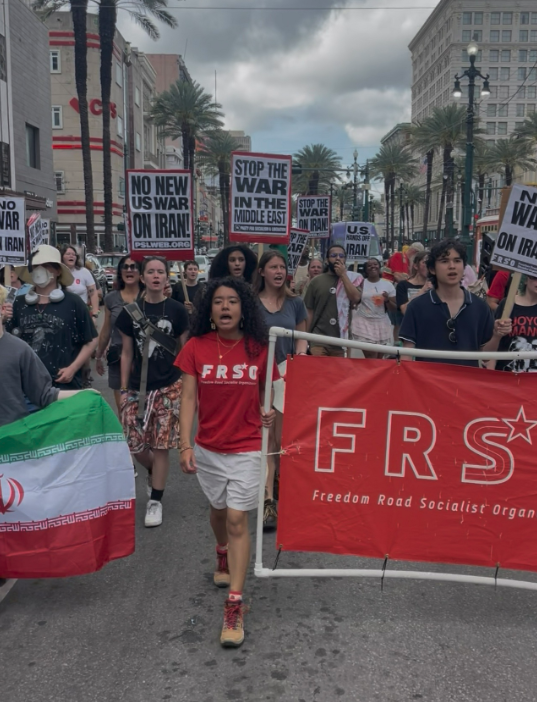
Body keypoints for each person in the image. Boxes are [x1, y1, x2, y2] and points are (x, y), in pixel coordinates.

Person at [176, 277, 277, 648]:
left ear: (243, 307)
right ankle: (222, 553)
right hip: (208, 448)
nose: (225, 307)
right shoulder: (195, 348)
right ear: (209, 310)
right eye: (217, 301)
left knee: (237, 517)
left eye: (232, 301)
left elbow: (271, 391)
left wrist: (269, 413)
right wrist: (184, 445)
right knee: (218, 510)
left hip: (248, 447)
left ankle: (234, 604)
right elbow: (188, 399)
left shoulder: (261, 348)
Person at [116, 256, 189, 528]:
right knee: (135, 445)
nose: (156, 276)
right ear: (143, 277)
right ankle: (151, 471)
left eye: (160, 271)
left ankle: (155, 500)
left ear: (167, 277)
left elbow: (184, 349)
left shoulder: (178, 310)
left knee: (161, 445)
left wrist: (186, 384)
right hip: (137, 387)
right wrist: (123, 389)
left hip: (170, 385)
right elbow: (125, 352)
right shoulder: (129, 312)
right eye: (151, 271)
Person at [254, 251, 308, 530]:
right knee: (264, 440)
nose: (278, 271)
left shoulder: (295, 303)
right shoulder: (250, 304)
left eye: (282, 267)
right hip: (256, 378)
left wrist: (296, 365)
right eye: (273, 266)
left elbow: (302, 338)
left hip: (284, 378)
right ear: (262, 271)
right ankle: (266, 501)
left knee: (279, 441)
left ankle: (279, 492)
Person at [399, 239, 510, 366]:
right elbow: (406, 355)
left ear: (464, 267)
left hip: (466, 383)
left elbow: (486, 357)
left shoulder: (480, 307)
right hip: (428, 383)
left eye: (457, 261)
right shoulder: (416, 306)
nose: (452, 266)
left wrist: (496, 335)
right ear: (432, 269)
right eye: (444, 261)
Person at [0, 285, 96, 427]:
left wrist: (84, 394)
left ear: (2, 310)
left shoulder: (20, 350)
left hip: (13, 438)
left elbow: (43, 395)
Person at [5, 245, 98, 388]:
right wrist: (2, 320)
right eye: (36, 265)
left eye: (46, 265)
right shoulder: (18, 303)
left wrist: (73, 368)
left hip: (64, 385)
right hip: (26, 387)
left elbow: (91, 339)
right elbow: (6, 342)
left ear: (58, 271)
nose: (40, 269)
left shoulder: (73, 303)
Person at [96, 256, 143, 410]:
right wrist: (98, 356)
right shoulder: (111, 298)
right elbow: (106, 330)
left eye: (134, 266)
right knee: (124, 409)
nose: (129, 270)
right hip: (118, 358)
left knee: (145, 409)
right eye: (125, 266)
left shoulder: (149, 296)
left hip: (145, 360)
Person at [304, 244, 362, 356]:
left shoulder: (352, 279)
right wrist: (304, 337)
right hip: (318, 339)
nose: (338, 258)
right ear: (327, 260)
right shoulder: (316, 281)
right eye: (334, 255)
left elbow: (355, 298)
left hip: (341, 341)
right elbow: (309, 311)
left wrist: (343, 275)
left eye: (341, 255)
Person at [487, 275, 537, 373]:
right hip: (507, 377)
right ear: (525, 280)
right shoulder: (508, 304)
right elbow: (493, 344)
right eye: (534, 277)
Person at [351, 258, 396, 358]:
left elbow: (394, 309)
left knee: (379, 359)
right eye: (369, 265)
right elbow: (354, 300)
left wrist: (387, 299)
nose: (372, 267)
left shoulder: (388, 285)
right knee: (371, 356)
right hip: (363, 322)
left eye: (375, 264)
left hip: (381, 323)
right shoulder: (361, 283)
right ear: (366, 269)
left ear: (379, 267)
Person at [60, 245, 100, 322]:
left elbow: (93, 293)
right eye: (68, 254)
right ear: (62, 257)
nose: (71, 256)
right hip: (62, 313)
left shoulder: (84, 272)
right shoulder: (57, 273)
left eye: (73, 254)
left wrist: (95, 314)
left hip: (81, 312)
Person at [396, 250, 432, 315]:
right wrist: (423, 290)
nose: (428, 266)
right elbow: (404, 310)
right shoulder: (403, 285)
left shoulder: (436, 285)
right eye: (425, 262)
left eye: (430, 263)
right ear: (416, 266)